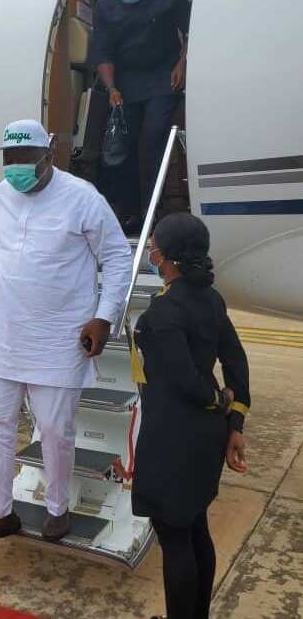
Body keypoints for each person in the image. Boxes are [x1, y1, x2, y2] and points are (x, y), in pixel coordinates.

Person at [0, 120, 131, 555]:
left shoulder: (82, 198)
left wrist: (104, 317)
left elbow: (117, 258)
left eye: (24, 159)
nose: (14, 168)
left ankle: (58, 507)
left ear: (47, 156)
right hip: (7, 336)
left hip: (60, 338)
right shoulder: (1, 195)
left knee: (54, 429)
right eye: (8, 159)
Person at [132, 213, 250, 619]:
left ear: (167, 258)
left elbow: (185, 381)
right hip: (206, 439)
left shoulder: (161, 314)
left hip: (173, 440)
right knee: (195, 526)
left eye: (154, 246)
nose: (149, 250)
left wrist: (218, 401)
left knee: (176, 539)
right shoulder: (211, 299)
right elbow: (237, 361)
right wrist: (234, 421)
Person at [89, 0, 189, 234]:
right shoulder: (105, 7)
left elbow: (190, 30)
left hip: (164, 75)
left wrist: (182, 61)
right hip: (126, 82)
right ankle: (131, 212)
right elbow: (103, 53)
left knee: (152, 138)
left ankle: (155, 211)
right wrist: (112, 88)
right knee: (127, 149)